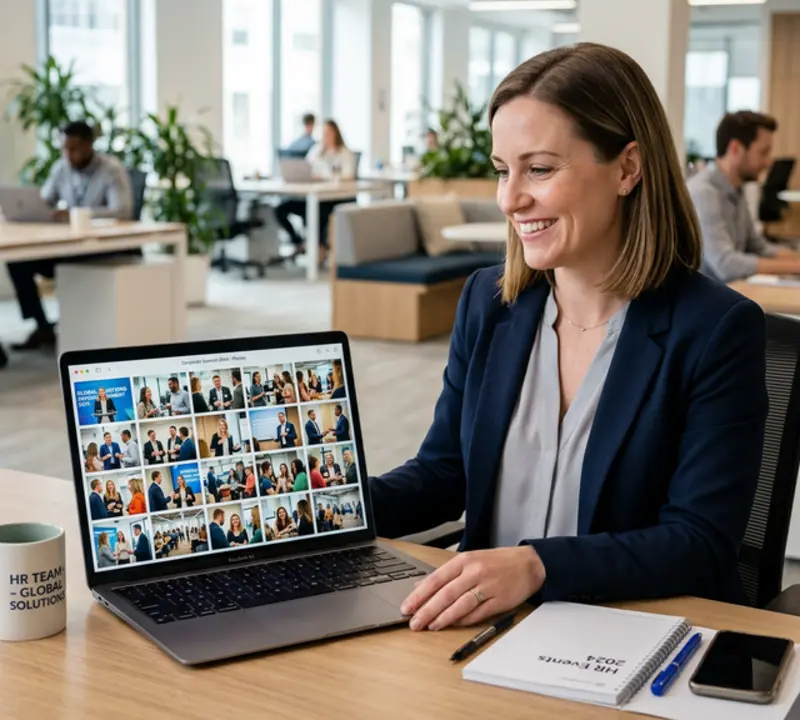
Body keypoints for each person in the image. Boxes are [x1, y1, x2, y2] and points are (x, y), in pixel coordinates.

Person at [369, 42, 767, 634]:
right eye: (503, 170)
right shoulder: (490, 301)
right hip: (479, 634)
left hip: (626, 634)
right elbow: (443, 473)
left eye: (540, 168)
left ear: (628, 168)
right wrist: (323, 512)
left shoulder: (714, 329)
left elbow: (699, 541)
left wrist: (537, 567)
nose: (510, 199)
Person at [6, 120, 133, 352]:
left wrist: (78, 214)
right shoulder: (61, 167)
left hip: (100, 247)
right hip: (69, 246)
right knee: (18, 262)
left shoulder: (111, 169)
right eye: (64, 148)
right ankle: (42, 325)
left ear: (88, 146)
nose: (67, 153)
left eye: (73, 148)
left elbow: (123, 210)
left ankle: (81, 329)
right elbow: (45, 200)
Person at [688, 111, 800, 283]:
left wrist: (795, 258)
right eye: (763, 152)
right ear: (736, 149)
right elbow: (727, 264)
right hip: (706, 304)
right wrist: (796, 266)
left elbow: (757, 247)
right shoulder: (704, 192)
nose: (768, 162)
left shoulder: (736, 190)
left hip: (731, 295)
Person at [274, 119, 356, 258]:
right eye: (323, 133)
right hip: (315, 195)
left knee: (317, 211)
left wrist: (328, 177)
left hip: (335, 198)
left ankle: (320, 248)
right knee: (280, 209)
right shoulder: (317, 150)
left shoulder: (344, 153)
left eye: (329, 132)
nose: (326, 136)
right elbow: (306, 166)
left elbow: (348, 175)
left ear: (336, 133)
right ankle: (298, 242)